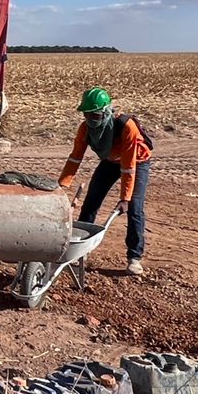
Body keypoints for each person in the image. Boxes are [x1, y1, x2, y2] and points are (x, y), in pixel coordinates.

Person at [56, 86, 154, 275]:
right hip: (110, 161)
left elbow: (128, 166)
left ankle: (134, 257)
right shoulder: (85, 129)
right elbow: (75, 157)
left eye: (95, 116)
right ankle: (79, 251)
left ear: (107, 111)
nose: (91, 120)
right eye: (87, 115)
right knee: (91, 201)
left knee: (134, 207)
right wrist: (62, 185)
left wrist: (125, 198)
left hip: (137, 161)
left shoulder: (127, 127)